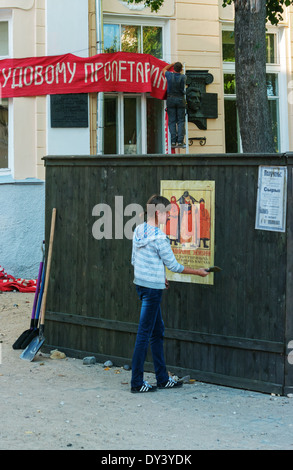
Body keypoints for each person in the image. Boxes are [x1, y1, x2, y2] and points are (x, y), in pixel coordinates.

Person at [130, 194, 210, 393]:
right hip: (153, 291)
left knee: (157, 332)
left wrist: (160, 277)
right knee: (144, 335)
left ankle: (163, 378)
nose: (168, 218)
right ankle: (137, 383)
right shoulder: (159, 237)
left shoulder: (138, 230)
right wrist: (198, 273)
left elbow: (135, 260)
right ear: (157, 213)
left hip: (142, 285)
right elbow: (174, 266)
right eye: (167, 214)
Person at [162, 61, 186, 148]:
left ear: (174, 68)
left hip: (170, 99)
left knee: (172, 121)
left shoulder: (169, 75)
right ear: (181, 69)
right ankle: (180, 141)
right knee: (181, 121)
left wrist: (172, 64)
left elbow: (163, 69)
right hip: (180, 99)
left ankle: (173, 141)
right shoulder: (183, 77)